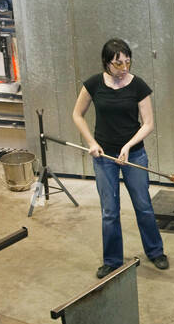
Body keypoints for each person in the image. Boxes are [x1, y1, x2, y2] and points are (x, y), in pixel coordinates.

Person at [72, 38, 168, 278]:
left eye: (127, 62)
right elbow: (77, 114)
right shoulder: (94, 84)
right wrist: (92, 143)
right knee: (110, 211)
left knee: (143, 205)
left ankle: (155, 251)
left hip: (133, 153)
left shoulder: (138, 86)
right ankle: (112, 260)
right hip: (104, 156)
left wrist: (128, 146)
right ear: (106, 63)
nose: (124, 68)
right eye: (118, 64)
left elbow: (148, 124)